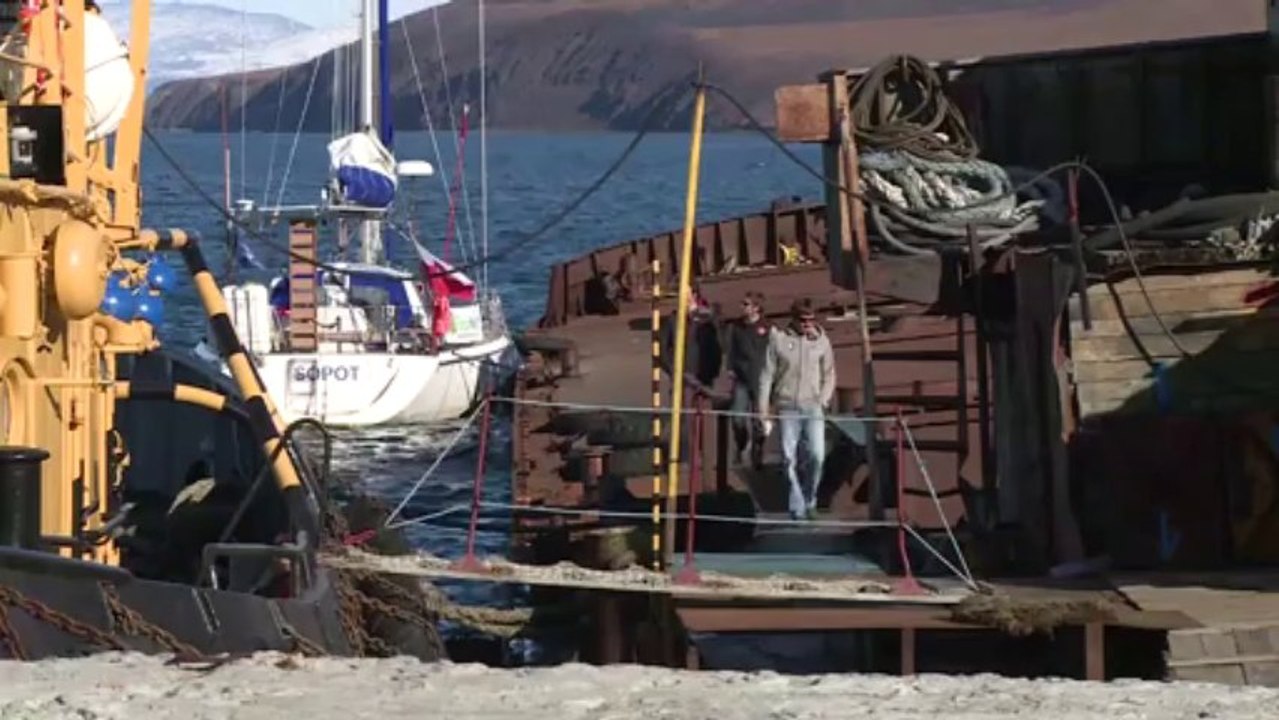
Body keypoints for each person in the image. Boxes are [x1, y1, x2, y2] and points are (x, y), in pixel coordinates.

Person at [758, 298, 836, 520]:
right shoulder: (778, 339)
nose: (807, 324)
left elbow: (829, 373)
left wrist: (823, 399)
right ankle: (798, 505)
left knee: (817, 456)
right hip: (787, 406)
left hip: (813, 406)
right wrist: (763, 409)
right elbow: (767, 375)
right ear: (793, 319)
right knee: (788, 458)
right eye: (803, 320)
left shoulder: (822, 342)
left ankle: (810, 499)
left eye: (811, 320)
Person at [724, 291, 770, 467]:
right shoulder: (736, 327)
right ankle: (741, 444)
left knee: (759, 419)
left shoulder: (767, 327)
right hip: (741, 380)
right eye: (742, 303)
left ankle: (758, 450)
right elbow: (731, 350)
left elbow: (774, 352)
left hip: (761, 380)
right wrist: (730, 369)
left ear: (756, 308)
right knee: (737, 417)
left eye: (746, 304)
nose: (742, 307)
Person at [658, 287, 722, 400]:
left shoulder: (706, 318)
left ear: (694, 295)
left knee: (704, 408)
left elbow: (716, 346)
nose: (683, 297)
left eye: (686, 294)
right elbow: (662, 349)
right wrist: (673, 371)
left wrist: (713, 371)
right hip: (684, 377)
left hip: (705, 377)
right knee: (685, 408)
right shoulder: (673, 319)